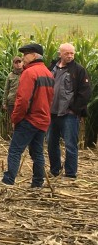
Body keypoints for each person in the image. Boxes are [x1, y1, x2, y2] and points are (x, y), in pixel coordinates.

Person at [2, 43, 54, 188]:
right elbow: (50, 98)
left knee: (15, 150)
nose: (23, 58)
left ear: (34, 55)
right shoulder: (48, 73)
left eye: (26, 54)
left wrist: (16, 118)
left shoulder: (29, 73)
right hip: (43, 120)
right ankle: (38, 182)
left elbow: (23, 100)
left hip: (29, 119)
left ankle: (8, 181)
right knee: (37, 152)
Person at [47, 43, 91, 179]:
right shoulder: (52, 68)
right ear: (60, 54)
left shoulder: (78, 70)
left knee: (70, 144)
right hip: (52, 113)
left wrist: (74, 110)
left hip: (68, 115)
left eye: (72, 53)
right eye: (67, 53)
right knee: (51, 143)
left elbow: (85, 92)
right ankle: (55, 170)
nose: (70, 56)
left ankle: (70, 174)